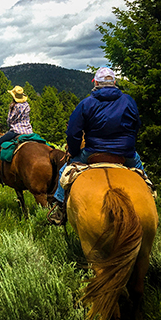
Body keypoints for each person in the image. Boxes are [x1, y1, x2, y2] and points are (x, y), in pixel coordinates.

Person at [48, 67, 145, 225]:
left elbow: (73, 132)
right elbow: (136, 125)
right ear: (114, 82)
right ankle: (150, 196)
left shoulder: (87, 103)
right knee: (142, 174)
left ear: (96, 83)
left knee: (63, 171)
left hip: (93, 153)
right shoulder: (128, 101)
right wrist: (127, 144)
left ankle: (59, 209)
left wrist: (73, 152)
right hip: (124, 154)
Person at [0, 86, 33, 178]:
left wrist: (9, 126)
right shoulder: (27, 105)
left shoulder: (14, 106)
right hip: (29, 131)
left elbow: (9, 120)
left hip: (16, 131)